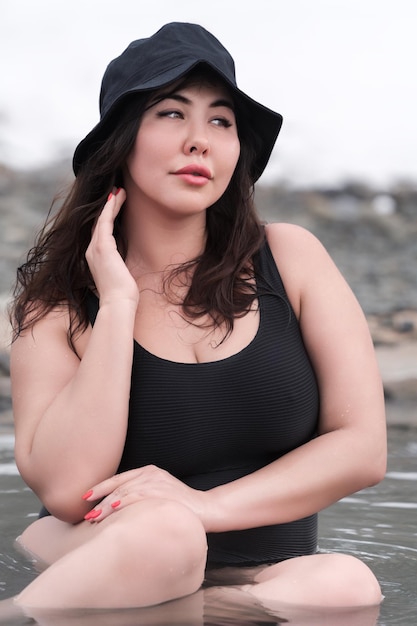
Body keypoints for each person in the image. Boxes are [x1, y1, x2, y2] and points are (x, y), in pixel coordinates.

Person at [8, 21, 386, 618]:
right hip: (108, 549)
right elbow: (64, 491)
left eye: (220, 121)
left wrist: (201, 507)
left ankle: (180, 609)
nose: (199, 141)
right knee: (165, 536)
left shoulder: (291, 258)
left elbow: (362, 447)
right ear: (122, 140)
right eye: (171, 113)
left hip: (265, 571)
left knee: (346, 585)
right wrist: (118, 304)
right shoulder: (58, 303)